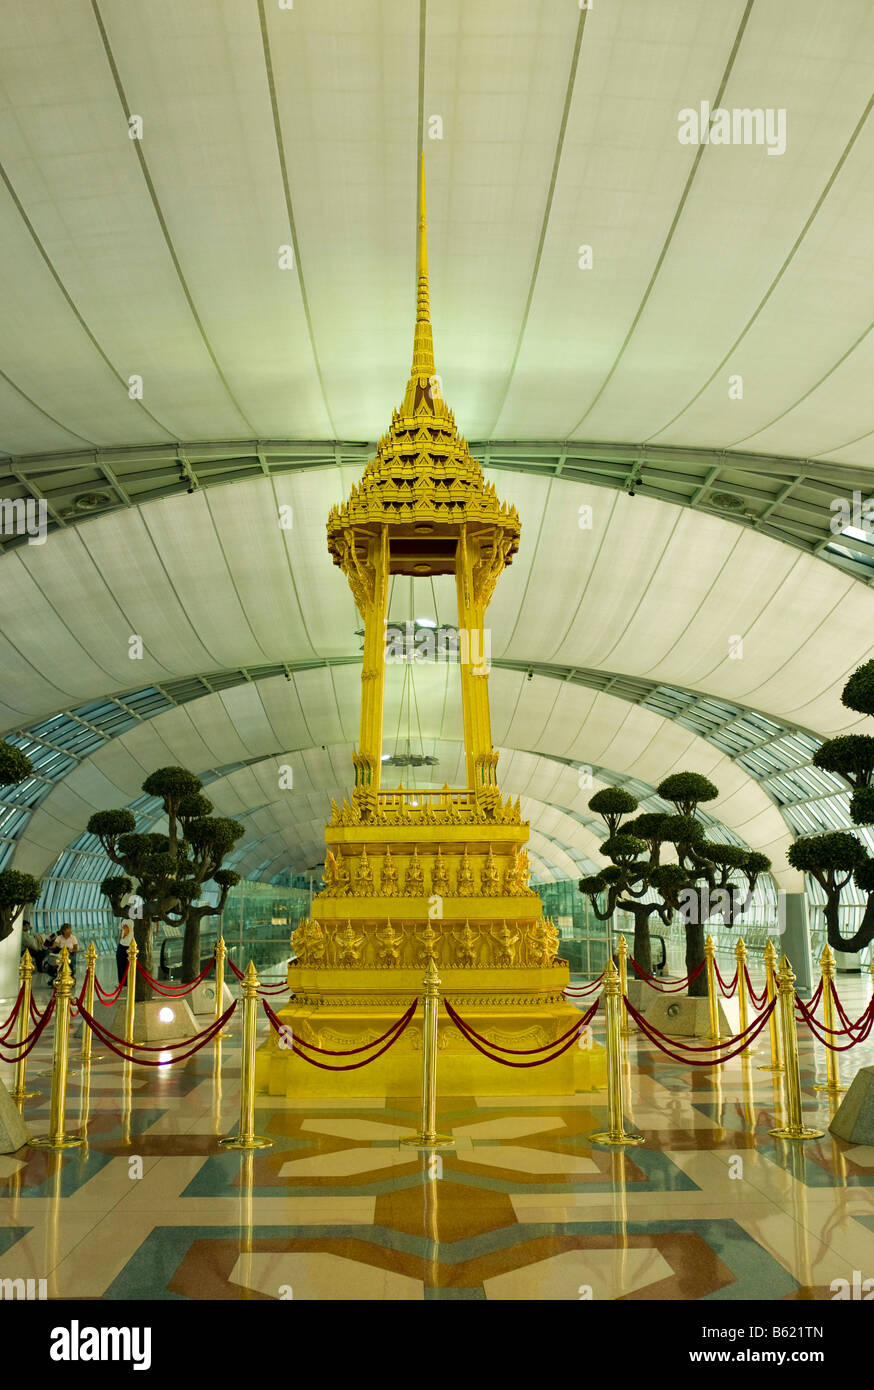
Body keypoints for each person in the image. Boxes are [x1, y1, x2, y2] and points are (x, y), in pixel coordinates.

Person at [117, 918, 135, 983]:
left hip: (130, 945)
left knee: (128, 965)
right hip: (122, 944)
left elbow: (126, 932)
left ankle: (128, 982)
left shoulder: (134, 920)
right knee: (121, 965)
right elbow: (121, 932)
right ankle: (122, 982)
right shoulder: (122, 919)